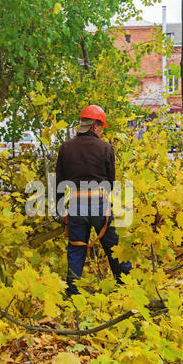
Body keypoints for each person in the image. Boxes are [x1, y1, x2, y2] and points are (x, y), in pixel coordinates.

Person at [55, 105, 132, 297]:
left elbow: (58, 182)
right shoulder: (105, 147)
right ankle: (126, 285)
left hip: (74, 206)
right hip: (99, 205)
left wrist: (60, 210)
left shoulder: (66, 147)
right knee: (112, 246)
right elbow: (110, 181)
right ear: (95, 126)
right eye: (102, 126)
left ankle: (73, 293)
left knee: (76, 248)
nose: (102, 130)